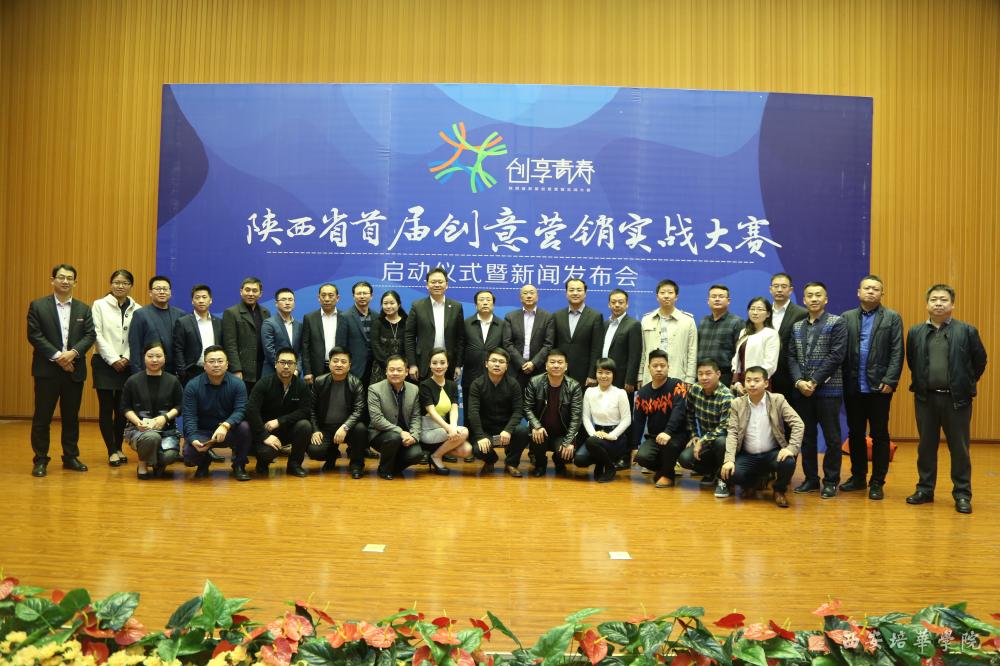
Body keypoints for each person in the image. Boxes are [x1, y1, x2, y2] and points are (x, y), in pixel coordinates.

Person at [905, 284, 987, 514]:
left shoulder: (967, 331)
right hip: (926, 400)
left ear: (952, 304)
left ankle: (962, 494)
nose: (938, 303)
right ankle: (925, 490)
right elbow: (912, 361)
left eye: (943, 299)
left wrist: (965, 383)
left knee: (959, 449)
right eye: (934, 299)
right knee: (926, 447)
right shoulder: (916, 332)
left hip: (956, 400)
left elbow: (980, 361)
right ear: (927, 304)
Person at [27, 263, 96, 477]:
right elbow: (34, 335)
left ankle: (70, 456)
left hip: (74, 370)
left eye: (69, 278)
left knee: (71, 417)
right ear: (53, 280)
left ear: (75, 282)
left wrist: (72, 353)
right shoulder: (38, 306)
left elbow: (90, 335)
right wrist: (59, 357)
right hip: (46, 371)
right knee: (42, 417)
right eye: (61, 277)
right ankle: (40, 459)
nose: (65, 281)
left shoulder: (84, 308)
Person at [839, 275, 904, 500]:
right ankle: (858, 477)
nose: (871, 292)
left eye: (875, 289)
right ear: (858, 292)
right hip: (853, 386)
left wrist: (891, 380)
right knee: (855, 433)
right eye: (867, 288)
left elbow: (897, 351)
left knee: (879, 435)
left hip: (879, 387)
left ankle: (877, 482)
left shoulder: (892, 317)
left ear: (881, 294)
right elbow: (840, 351)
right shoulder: (847, 317)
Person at [787, 281, 848, 498]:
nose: (814, 299)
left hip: (828, 391)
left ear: (826, 299)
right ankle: (811, 479)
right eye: (810, 295)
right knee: (807, 438)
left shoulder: (837, 323)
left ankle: (830, 481)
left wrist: (813, 381)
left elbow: (836, 356)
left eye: (818, 295)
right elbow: (791, 356)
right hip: (802, 392)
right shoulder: (797, 326)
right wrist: (798, 382)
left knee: (832, 439)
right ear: (803, 300)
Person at [720, 366, 804, 508]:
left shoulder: (777, 400)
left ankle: (779, 490)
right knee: (730, 473)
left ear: (766, 383)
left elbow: (798, 424)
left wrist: (791, 448)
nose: (752, 384)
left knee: (788, 462)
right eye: (748, 380)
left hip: (771, 454)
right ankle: (753, 483)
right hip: (747, 455)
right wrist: (729, 460)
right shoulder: (737, 403)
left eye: (756, 380)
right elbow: (732, 433)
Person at [90, 269, 139, 466]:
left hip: (127, 364)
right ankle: (111, 450)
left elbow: (135, 337)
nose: (120, 286)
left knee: (122, 409)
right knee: (106, 407)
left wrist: (126, 357)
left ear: (131, 286)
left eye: (125, 283)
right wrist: (112, 359)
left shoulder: (137, 308)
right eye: (117, 282)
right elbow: (96, 333)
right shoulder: (99, 305)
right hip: (103, 362)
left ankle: (118, 447)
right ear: (111, 284)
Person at [182, 345, 252, 481]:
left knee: (245, 427)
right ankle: (204, 462)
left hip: (228, 431)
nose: (216, 365)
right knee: (190, 454)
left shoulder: (237, 384)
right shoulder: (192, 386)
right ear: (204, 365)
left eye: (220, 361)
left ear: (227, 364)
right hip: (203, 432)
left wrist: (226, 425)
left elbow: (241, 410)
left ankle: (239, 465)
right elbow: (189, 416)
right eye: (211, 361)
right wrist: (193, 438)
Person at [246, 347, 313, 477]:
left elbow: (305, 411)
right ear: (276, 364)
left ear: (295, 366)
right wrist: (264, 435)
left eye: (290, 363)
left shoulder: (302, 386)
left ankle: (294, 465)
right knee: (267, 452)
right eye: (282, 362)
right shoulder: (264, 383)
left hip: (288, 429)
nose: (286, 366)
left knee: (305, 426)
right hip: (266, 430)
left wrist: (280, 421)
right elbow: (252, 410)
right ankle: (262, 464)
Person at [121, 341, 182, 479]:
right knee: (151, 437)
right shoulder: (133, 381)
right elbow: (125, 407)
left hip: (167, 430)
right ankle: (142, 464)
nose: (154, 360)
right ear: (144, 357)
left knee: (169, 456)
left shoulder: (173, 381)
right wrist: (137, 422)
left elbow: (179, 406)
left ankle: (155, 461)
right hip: (139, 430)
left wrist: (165, 418)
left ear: (165, 357)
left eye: (158, 356)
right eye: (150, 356)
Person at [518, 349, 584, 477]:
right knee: (537, 435)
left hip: (562, 433)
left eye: (560, 362)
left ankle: (559, 462)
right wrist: (536, 426)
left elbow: (576, 417)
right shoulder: (534, 382)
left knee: (567, 452)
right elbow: (527, 407)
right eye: (552, 362)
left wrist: (568, 441)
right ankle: (540, 464)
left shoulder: (574, 386)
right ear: (546, 365)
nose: (556, 365)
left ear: (566, 366)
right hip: (541, 431)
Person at [633, 349, 690, 487]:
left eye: (662, 365)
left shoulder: (677, 385)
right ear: (649, 368)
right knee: (642, 457)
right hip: (655, 437)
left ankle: (667, 476)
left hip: (677, 435)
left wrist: (668, 432)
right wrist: (634, 446)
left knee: (670, 445)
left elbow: (679, 410)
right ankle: (665, 469)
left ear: (668, 367)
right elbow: (639, 421)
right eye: (655, 366)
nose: (659, 369)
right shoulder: (642, 393)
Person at [309, 347, 368, 478]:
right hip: (326, 427)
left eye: (343, 361)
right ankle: (331, 455)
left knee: (361, 429)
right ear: (329, 363)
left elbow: (359, 410)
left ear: (349, 365)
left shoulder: (356, 383)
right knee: (314, 451)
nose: (339, 364)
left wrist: (345, 427)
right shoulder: (319, 382)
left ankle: (357, 465)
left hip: (348, 428)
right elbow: (311, 409)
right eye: (335, 361)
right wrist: (315, 430)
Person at [677, 359, 734, 496]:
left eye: (708, 373)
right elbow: (689, 413)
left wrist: (702, 441)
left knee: (721, 441)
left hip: (723, 442)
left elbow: (724, 427)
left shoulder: (727, 396)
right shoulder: (695, 389)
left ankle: (724, 480)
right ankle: (711, 471)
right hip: (705, 441)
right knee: (685, 459)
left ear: (718, 374)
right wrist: (694, 435)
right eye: (700, 374)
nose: (704, 377)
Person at [466, 348, 526, 476]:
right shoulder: (477, 384)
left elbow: (518, 411)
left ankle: (511, 463)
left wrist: (508, 430)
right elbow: (473, 413)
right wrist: (481, 436)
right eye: (493, 361)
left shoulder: (513, 384)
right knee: (478, 450)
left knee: (523, 431)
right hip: (486, 432)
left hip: (506, 433)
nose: (497, 364)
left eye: (501, 362)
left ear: (506, 366)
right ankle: (491, 460)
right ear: (486, 364)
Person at [367, 355, 423, 479]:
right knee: (394, 437)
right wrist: (400, 432)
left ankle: (392, 466)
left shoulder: (414, 389)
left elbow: (416, 416)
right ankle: (384, 470)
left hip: (405, 436)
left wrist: (414, 436)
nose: (395, 373)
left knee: (416, 455)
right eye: (391, 370)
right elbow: (377, 420)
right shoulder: (374, 389)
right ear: (386, 371)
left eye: (399, 370)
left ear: (406, 372)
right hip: (381, 435)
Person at [576, 358, 631, 483]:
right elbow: (585, 417)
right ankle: (601, 462)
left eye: (608, 373)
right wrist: (593, 434)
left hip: (616, 438)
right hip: (596, 435)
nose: (603, 376)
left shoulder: (620, 393)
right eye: (600, 372)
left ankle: (610, 468)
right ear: (595, 374)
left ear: (613, 374)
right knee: (580, 460)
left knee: (592, 443)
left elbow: (627, 419)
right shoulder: (589, 392)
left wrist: (611, 435)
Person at [405, 267, 465, 381]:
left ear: (446, 285)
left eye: (440, 282)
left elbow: (460, 339)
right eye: (433, 282)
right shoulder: (417, 306)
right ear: (427, 285)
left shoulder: (456, 307)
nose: (437, 285)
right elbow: (409, 337)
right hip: (424, 364)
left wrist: (458, 365)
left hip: (448, 365)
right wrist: (412, 364)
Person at [419, 348, 471, 474]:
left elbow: (454, 409)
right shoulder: (425, 385)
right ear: (429, 365)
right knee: (464, 431)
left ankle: (436, 454)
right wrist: (449, 428)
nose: (439, 366)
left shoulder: (452, 385)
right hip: (428, 430)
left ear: (448, 364)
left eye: (442, 362)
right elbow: (432, 411)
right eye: (434, 363)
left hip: (444, 430)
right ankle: (436, 457)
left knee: (466, 450)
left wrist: (452, 426)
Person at [639, 279, 697, 386]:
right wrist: (640, 375)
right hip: (650, 376)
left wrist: (690, 378)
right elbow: (642, 350)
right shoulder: (646, 320)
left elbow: (692, 352)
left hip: (678, 375)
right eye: (662, 293)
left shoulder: (688, 321)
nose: (666, 296)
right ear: (657, 296)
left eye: (670, 292)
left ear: (676, 297)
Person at [221, 276, 270, 395]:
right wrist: (236, 369)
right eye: (247, 290)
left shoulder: (265, 312)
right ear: (241, 291)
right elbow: (230, 344)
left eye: (255, 290)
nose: (251, 294)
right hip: (243, 370)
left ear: (260, 293)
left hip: (262, 369)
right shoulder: (231, 313)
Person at [128, 275, 185, 375]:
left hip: (174, 373)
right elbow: (135, 347)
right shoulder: (140, 314)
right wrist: (137, 374)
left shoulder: (180, 314)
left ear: (170, 292)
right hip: (149, 371)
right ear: (150, 293)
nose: (162, 292)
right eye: (158, 289)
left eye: (165, 289)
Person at [461, 290, 512, 401]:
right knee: (470, 409)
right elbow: (460, 346)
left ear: (493, 305)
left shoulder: (502, 325)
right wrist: (457, 366)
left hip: (496, 378)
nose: (485, 303)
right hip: (471, 376)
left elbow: (506, 349)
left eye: (488, 300)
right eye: (481, 300)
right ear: (476, 305)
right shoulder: (466, 323)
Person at [552, 278, 603, 388]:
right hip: (559, 372)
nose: (575, 293)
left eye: (579, 290)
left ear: (585, 293)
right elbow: (553, 346)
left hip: (584, 374)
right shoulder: (557, 316)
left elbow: (596, 349)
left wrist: (592, 374)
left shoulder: (595, 316)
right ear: (566, 293)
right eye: (571, 290)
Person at [504, 284, 554, 387]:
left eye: (532, 293)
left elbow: (548, 344)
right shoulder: (510, 317)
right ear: (520, 297)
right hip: (515, 369)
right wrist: (521, 363)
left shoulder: (547, 317)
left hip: (539, 369)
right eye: (525, 293)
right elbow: (507, 343)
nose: (529, 296)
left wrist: (534, 363)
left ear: (537, 297)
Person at [768, 272, 808, 398]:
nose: (779, 290)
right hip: (766, 375)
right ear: (770, 289)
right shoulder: (764, 312)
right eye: (776, 286)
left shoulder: (801, 313)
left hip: (789, 375)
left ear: (790, 290)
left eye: (784, 286)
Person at [173, 284, 222, 385]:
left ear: (210, 300)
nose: (201, 300)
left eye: (204, 297)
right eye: (197, 297)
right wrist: (182, 372)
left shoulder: (219, 322)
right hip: (192, 371)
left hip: (215, 370)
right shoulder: (183, 322)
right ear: (192, 301)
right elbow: (178, 348)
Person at [731, 297, 780, 396]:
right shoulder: (744, 332)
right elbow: (737, 360)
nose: (755, 312)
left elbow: (770, 364)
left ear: (768, 314)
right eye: (752, 309)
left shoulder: (771, 334)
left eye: (760, 309)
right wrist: (737, 382)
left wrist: (753, 381)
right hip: (742, 384)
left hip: (759, 384)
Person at [697, 284, 744, 388]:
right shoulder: (703, 321)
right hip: (702, 375)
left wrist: (735, 380)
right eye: (713, 296)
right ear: (708, 301)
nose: (717, 299)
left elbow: (740, 354)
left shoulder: (737, 322)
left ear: (728, 301)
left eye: (721, 296)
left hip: (724, 375)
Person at [300, 283, 347, 384]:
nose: (326, 299)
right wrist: (307, 371)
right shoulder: (309, 318)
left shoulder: (345, 317)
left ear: (337, 298)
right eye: (323, 295)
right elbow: (305, 347)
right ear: (318, 297)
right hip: (316, 369)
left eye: (331, 295)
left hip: (339, 367)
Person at [261, 288, 303, 376]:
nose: (287, 303)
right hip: (273, 373)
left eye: (290, 300)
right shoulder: (269, 323)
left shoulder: (299, 325)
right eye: (283, 299)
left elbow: (300, 351)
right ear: (276, 303)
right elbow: (269, 351)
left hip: (294, 374)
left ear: (294, 303)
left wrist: (297, 369)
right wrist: (286, 369)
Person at [370, 290, 407, 384]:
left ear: (398, 304)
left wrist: (401, 365)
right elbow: (375, 345)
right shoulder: (377, 322)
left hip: (401, 368)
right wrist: (388, 366)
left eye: (392, 303)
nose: (388, 306)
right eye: (385, 303)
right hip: (381, 367)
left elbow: (410, 345)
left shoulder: (407, 322)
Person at [340, 281, 374, 383]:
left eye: (365, 293)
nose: (362, 296)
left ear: (371, 296)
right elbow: (341, 345)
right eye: (359, 293)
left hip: (374, 368)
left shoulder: (377, 316)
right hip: (354, 368)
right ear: (353, 296)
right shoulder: (345, 317)